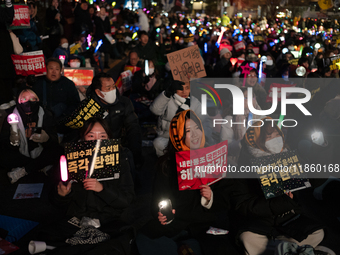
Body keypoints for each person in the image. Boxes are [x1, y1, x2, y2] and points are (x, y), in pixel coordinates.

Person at [136, 110, 239, 255]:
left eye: (197, 128)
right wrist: (161, 213)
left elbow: (228, 199)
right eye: (188, 131)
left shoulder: (214, 158)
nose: (196, 134)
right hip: (176, 224)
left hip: (206, 225)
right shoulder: (167, 164)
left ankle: (189, 247)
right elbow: (158, 200)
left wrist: (210, 198)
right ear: (178, 135)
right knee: (144, 237)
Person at [34, 117, 135, 254]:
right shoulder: (71, 158)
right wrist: (62, 195)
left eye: (102, 136)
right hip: (75, 221)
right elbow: (55, 201)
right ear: (82, 138)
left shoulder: (120, 159)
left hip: (108, 221)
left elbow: (126, 200)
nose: (97, 140)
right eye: (91, 135)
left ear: (109, 138)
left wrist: (102, 189)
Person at [235, 118, 325, 255]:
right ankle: (288, 249)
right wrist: (282, 202)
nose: (275, 139)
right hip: (260, 224)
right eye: (269, 136)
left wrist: (319, 149)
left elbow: (314, 180)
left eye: (277, 135)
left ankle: (280, 249)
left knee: (318, 233)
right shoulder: (244, 167)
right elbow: (244, 206)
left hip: (289, 221)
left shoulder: (289, 158)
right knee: (247, 237)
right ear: (256, 140)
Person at [0, 89, 62, 184]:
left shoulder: (45, 114)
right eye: (24, 99)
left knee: (58, 151)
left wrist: (47, 138)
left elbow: (54, 140)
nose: (29, 102)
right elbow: (4, 142)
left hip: (40, 151)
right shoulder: (11, 116)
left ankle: (23, 171)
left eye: (33, 99)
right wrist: (12, 141)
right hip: (20, 154)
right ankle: (39, 166)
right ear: (18, 101)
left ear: (38, 100)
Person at [86, 73, 143, 167]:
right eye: (108, 88)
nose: (112, 90)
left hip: (118, 147)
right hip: (95, 151)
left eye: (113, 87)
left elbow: (133, 128)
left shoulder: (124, 103)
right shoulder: (88, 108)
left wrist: (136, 155)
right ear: (98, 92)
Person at [150, 80, 203, 157]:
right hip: (168, 138)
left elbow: (205, 120)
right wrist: (166, 94)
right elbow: (155, 110)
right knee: (158, 143)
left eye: (187, 88)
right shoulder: (168, 99)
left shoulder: (194, 102)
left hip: (189, 140)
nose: (184, 91)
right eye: (180, 88)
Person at [0, 0, 15, 110]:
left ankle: (9, 97)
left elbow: (8, 19)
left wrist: (8, 4)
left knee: (7, 68)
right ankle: (2, 99)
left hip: (3, 40)